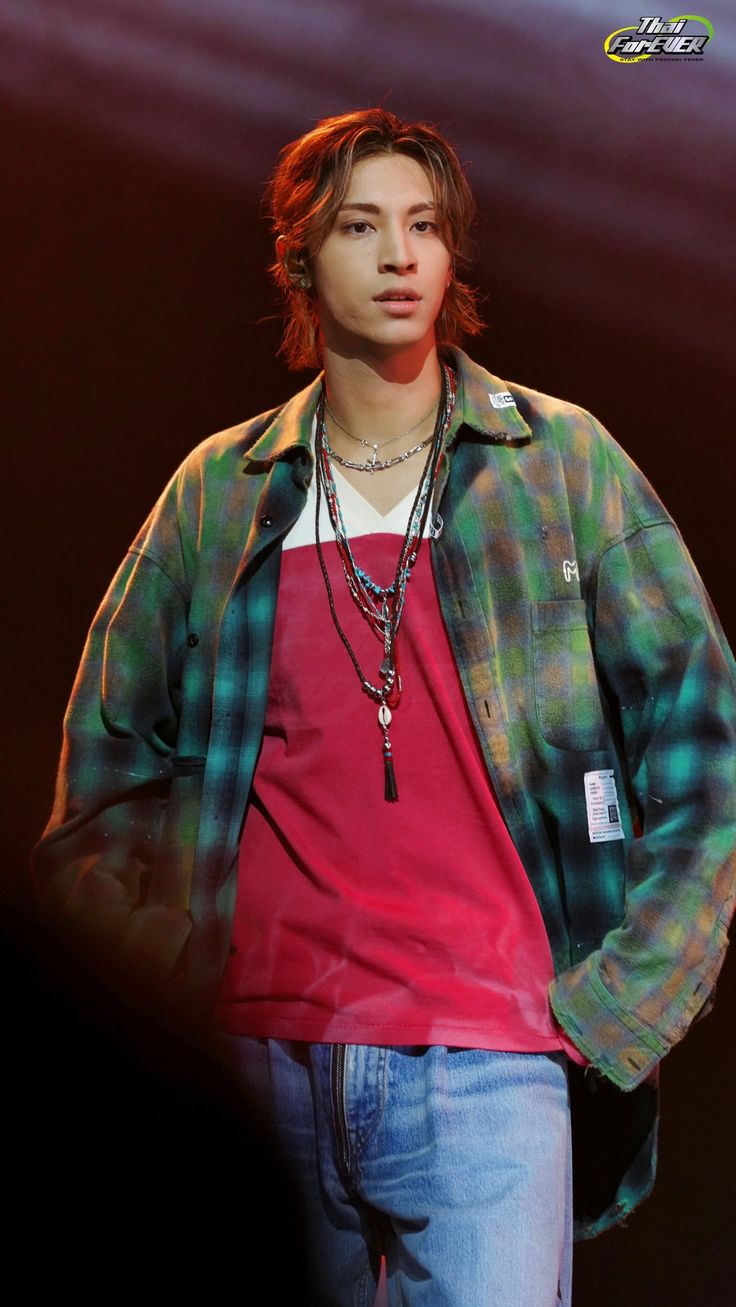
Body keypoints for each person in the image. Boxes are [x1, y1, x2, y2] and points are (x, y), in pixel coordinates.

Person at [33, 108, 736, 1306]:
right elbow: (103, 771)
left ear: (453, 253)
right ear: (301, 256)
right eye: (361, 226)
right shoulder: (224, 488)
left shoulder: (557, 462)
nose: (400, 255)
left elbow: (703, 736)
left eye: (424, 226)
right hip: (260, 1063)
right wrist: (157, 992)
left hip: (494, 1064)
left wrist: (620, 1001)